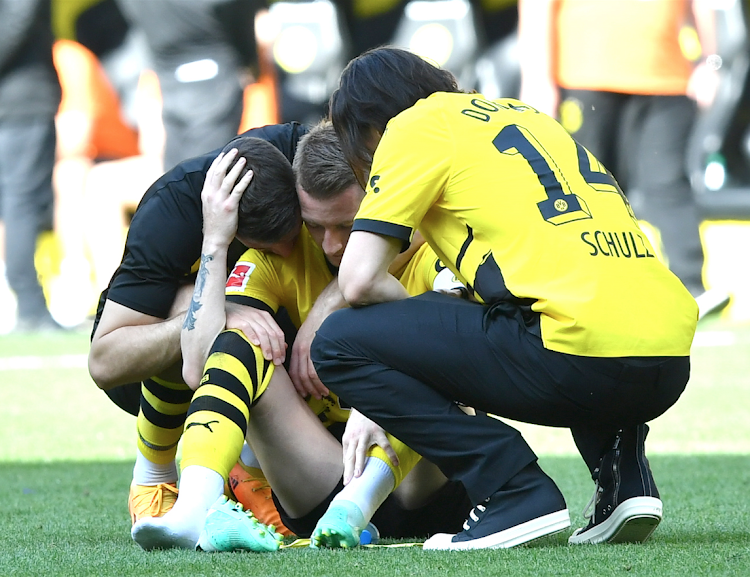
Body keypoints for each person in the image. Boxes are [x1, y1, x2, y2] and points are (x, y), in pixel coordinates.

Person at [309, 47, 699, 550]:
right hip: (666, 360)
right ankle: (623, 477)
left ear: (367, 125)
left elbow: (358, 280)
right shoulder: (526, 115)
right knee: (556, 300)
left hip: (579, 359)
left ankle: (513, 489)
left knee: (339, 340)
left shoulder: (411, 126)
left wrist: (408, 344)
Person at [130, 120, 472, 551]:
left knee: (450, 333)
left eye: (347, 226)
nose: (330, 245)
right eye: (315, 226)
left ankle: (358, 502)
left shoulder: (434, 250)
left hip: (425, 487)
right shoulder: (282, 257)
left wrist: (385, 397)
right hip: (322, 486)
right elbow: (197, 365)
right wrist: (215, 240)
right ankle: (192, 509)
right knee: (235, 340)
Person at [88, 122, 306, 528]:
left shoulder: (308, 153)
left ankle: (247, 471)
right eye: (271, 244)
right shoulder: (173, 209)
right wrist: (218, 277)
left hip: (289, 344)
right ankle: (153, 477)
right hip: (171, 381)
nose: (289, 251)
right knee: (193, 305)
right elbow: (105, 362)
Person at [517, 0, 729, 319]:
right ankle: (583, 290)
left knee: (669, 183)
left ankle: (691, 289)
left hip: (667, 79)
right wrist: (537, 79)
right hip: (585, 78)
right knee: (587, 190)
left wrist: (708, 63)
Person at [116, 0, 265, 172]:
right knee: (210, 171)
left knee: (178, 178)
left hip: (169, 80)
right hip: (213, 75)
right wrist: (250, 61)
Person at [0, 0, 63, 332]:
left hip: (19, 101)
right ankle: (29, 307)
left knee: (17, 203)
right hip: (21, 101)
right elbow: (19, 18)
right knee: (22, 202)